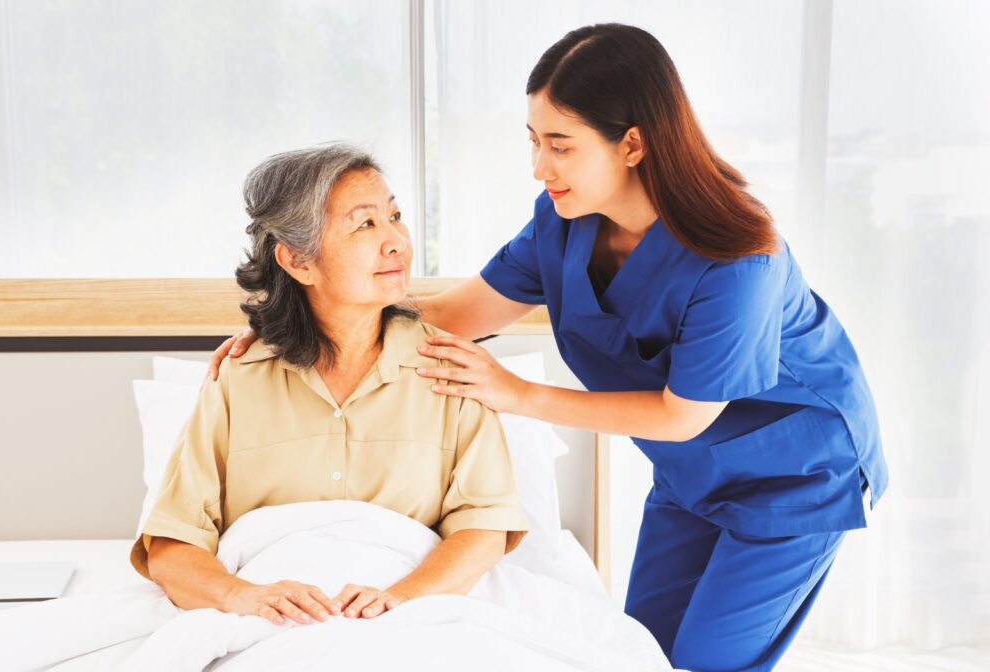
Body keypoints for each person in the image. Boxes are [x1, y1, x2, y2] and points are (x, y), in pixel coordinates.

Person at [210, 24, 887, 672]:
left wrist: (517, 394)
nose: (539, 167)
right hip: (689, 476)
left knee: (707, 662)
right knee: (636, 653)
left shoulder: (740, 260)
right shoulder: (563, 226)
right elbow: (448, 317)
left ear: (632, 144)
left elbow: (686, 414)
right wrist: (290, 326)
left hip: (795, 474)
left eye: (560, 145)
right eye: (533, 140)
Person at [135, 144, 528, 629]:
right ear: (299, 262)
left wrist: (399, 599)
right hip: (267, 627)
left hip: (411, 620)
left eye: (395, 216)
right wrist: (245, 598)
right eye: (365, 224)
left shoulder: (449, 367)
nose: (397, 242)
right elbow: (173, 545)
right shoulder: (239, 376)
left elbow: (483, 530)